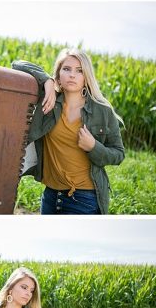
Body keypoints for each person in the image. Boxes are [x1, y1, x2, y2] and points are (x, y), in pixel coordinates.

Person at [13, 49, 125, 215]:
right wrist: (48, 81)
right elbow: (17, 64)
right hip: (50, 196)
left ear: (86, 77)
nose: (72, 75)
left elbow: (118, 154)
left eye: (79, 71)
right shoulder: (48, 102)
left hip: (84, 199)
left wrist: (93, 146)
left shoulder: (103, 111)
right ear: (58, 75)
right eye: (66, 69)